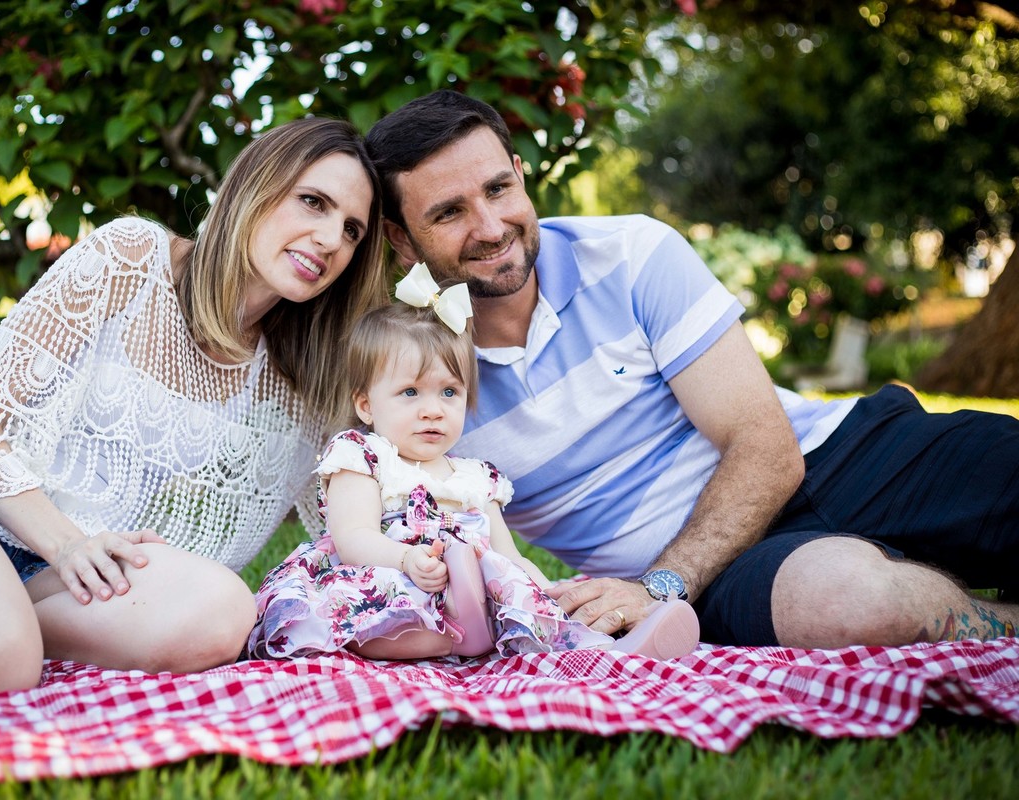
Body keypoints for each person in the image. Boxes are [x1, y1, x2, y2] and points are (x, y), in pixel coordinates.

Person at [363, 89, 1019, 650]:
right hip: (714, 570)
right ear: (400, 238)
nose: (489, 227)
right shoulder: (408, 374)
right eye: (448, 212)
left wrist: (659, 586)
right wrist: (662, 587)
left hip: (838, 456)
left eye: (498, 189)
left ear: (519, 174)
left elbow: (765, 447)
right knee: (852, 603)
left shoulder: (630, 254)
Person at [0, 116, 386, 696]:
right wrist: (66, 543)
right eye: (313, 202)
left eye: (352, 231)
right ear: (255, 185)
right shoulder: (131, 259)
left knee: (223, 612)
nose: (330, 240)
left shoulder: (304, 378)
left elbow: (352, 524)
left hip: (59, 574)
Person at [246, 263, 698, 661]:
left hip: (471, 594)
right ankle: (442, 634)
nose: (433, 410)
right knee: (372, 608)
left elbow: (507, 554)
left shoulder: (475, 479)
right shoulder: (363, 457)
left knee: (523, 593)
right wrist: (406, 558)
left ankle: (615, 646)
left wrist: (547, 593)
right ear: (366, 405)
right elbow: (353, 538)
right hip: (388, 582)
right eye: (410, 392)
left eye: (449, 392)